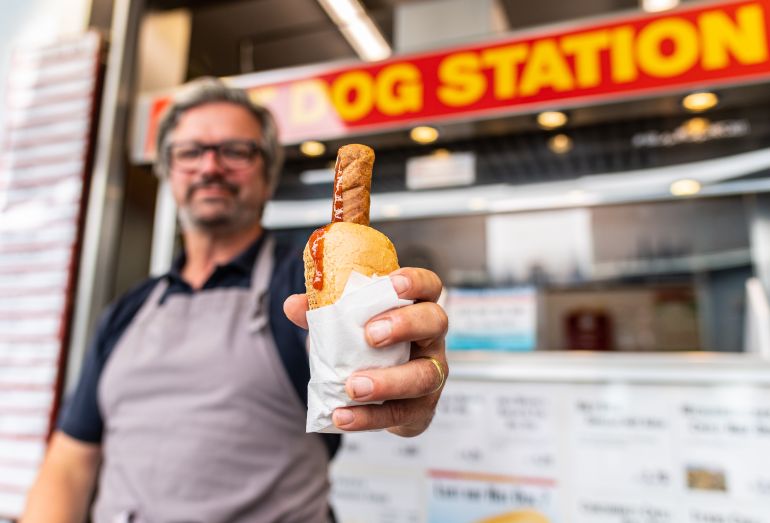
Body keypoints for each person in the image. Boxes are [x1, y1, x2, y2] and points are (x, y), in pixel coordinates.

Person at [21, 78, 448, 523]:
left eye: (235, 151)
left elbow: (373, 387)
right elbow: (70, 462)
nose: (210, 166)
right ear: (169, 173)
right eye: (189, 152)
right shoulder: (129, 309)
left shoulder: (303, 282)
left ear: (267, 177)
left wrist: (407, 384)